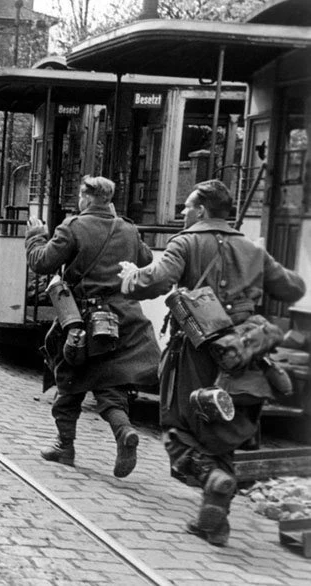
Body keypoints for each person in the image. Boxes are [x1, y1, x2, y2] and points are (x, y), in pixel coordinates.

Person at [119, 179, 305, 546]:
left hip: (195, 352)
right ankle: (215, 518)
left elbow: (157, 281)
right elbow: (293, 289)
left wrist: (130, 277)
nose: (183, 213)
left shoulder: (185, 241)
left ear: (202, 210)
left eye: (187, 206)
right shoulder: (251, 249)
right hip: (244, 352)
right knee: (227, 427)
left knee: (178, 424)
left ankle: (210, 479)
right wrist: (259, 265)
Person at [26, 175, 160, 478]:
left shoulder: (73, 227)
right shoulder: (127, 228)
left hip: (83, 321)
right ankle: (124, 431)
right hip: (123, 319)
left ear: (87, 198)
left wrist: (35, 235)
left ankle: (65, 446)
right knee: (108, 383)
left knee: (70, 379)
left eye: (80, 196)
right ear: (108, 200)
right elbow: (146, 258)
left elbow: (42, 262)